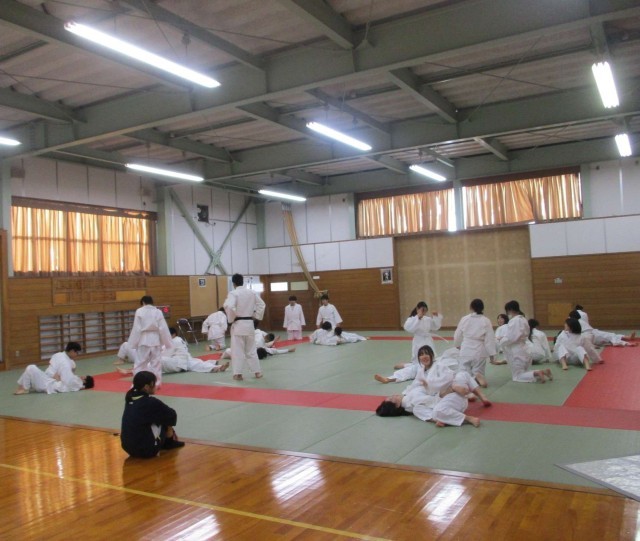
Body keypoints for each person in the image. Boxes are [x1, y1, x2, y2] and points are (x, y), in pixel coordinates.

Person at [375, 345, 490, 427]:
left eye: (426, 354)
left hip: (453, 390)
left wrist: (451, 386)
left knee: (462, 374)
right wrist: (437, 419)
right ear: (397, 405)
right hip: (450, 398)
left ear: (431, 355)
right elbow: (432, 403)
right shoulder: (413, 403)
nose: (393, 395)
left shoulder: (410, 391)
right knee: (438, 411)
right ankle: (468, 417)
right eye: (391, 398)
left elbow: (417, 384)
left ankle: (481, 395)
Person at [120, 371, 184, 458]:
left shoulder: (130, 397)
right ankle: (169, 442)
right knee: (165, 417)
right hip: (146, 450)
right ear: (146, 387)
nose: (155, 386)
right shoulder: (150, 402)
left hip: (127, 447)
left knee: (156, 415)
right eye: (154, 384)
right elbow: (172, 415)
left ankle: (163, 441)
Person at [117, 328, 229, 374]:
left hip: (177, 363)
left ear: (173, 334)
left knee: (158, 360)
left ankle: (132, 371)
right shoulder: (176, 341)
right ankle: (216, 367)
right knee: (195, 363)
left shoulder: (175, 341)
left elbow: (164, 354)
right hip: (180, 362)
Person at [223, 273, 266, 381]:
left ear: (233, 283)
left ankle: (238, 374)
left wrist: (231, 319)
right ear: (243, 282)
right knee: (251, 350)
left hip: (238, 325)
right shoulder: (252, 292)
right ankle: (257, 372)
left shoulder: (233, 293)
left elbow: (230, 306)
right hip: (249, 324)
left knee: (237, 351)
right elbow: (262, 304)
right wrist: (256, 316)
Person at [500, 300, 552, 383]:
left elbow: (511, 338)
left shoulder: (514, 321)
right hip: (526, 349)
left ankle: (538, 372)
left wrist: (502, 340)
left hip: (517, 350)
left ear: (510, 309)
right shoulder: (524, 319)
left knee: (518, 376)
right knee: (524, 372)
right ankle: (543, 372)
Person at [127, 296, 173, 388]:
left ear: (143, 302)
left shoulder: (139, 311)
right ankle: (156, 384)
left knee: (140, 364)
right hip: (155, 340)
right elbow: (163, 328)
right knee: (156, 364)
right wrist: (167, 343)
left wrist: (133, 343)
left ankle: (137, 384)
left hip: (143, 340)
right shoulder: (158, 312)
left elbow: (137, 328)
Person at [453, 299, 496, 387]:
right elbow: (489, 339)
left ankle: (470, 379)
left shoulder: (465, 319)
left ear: (471, 307)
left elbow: (458, 334)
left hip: (466, 348)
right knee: (478, 371)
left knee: (463, 372)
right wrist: (492, 354)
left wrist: (457, 344)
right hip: (480, 349)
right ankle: (477, 377)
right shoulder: (486, 320)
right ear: (482, 308)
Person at [571, 306, 637, 347]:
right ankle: (626, 343)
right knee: (609, 336)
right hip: (589, 334)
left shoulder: (573, 319)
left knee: (609, 335)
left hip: (590, 333)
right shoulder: (582, 315)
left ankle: (627, 338)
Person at [14, 364, 94, 395]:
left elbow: (61, 377)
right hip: (49, 382)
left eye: (84, 377)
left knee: (31, 368)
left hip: (46, 385)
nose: (82, 376)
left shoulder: (78, 383)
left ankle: (24, 388)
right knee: (31, 370)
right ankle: (23, 387)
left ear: (85, 380)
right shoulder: (77, 383)